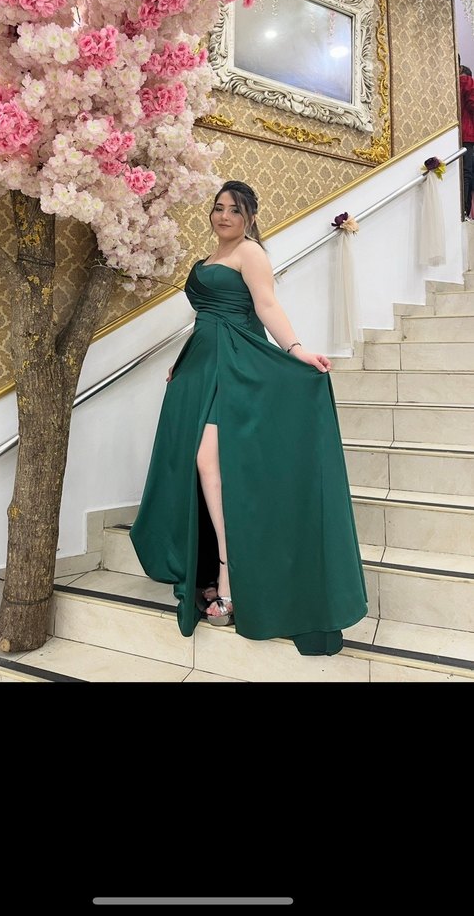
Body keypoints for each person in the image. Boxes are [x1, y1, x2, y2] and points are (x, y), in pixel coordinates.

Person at [130, 180, 368, 657]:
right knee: (198, 466)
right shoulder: (211, 257)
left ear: (250, 217)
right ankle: (217, 566)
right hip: (202, 364)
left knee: (208, 461)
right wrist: (184, 361)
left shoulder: (251, 253)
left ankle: (228, 574)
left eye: (235, 210)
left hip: (236, 364)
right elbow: (205, 318)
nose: (224, 216)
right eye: (218, 208)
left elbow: (266, 305)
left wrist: (296, 350)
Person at [459, 56, 474, 220]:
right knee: (467, 172)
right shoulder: (467, 81)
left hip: (456, 133)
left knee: (462, 171)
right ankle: (465, 210)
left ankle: (462, 209)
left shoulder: (452, 84)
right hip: (468, 133)